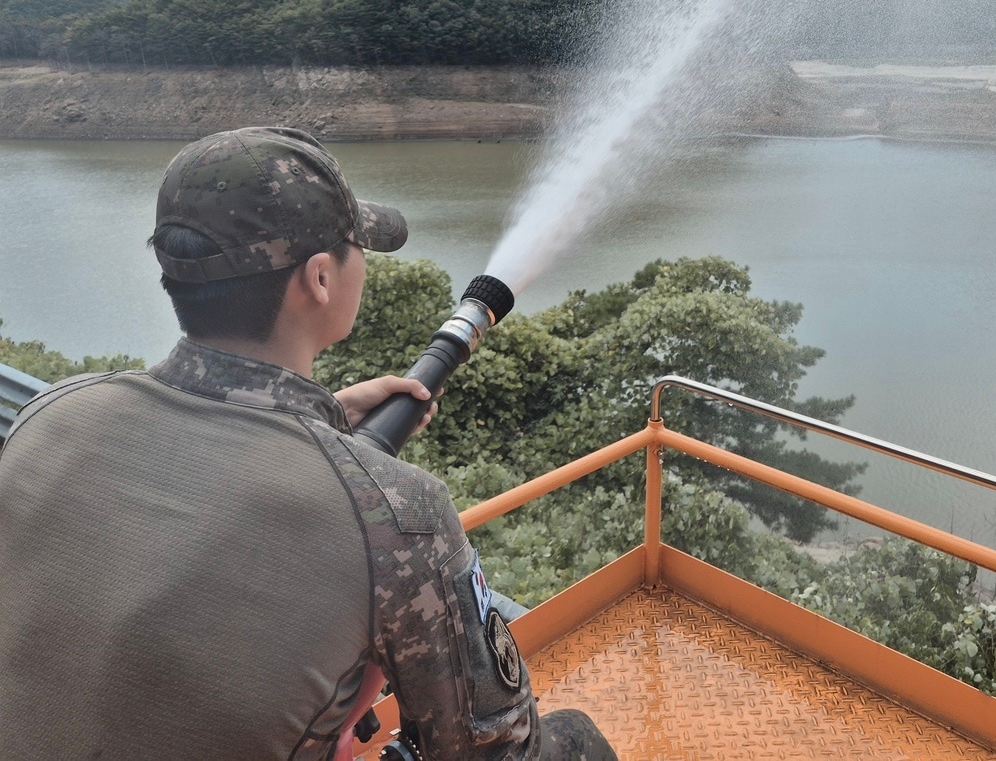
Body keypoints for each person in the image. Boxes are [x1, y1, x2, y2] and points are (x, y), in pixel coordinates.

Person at [0, 126, 616, 761]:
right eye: (358, 247)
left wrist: (328, 425)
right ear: (319, 278)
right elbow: (496, 752)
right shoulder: (401, 516)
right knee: (576, 742)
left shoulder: (48, 415)